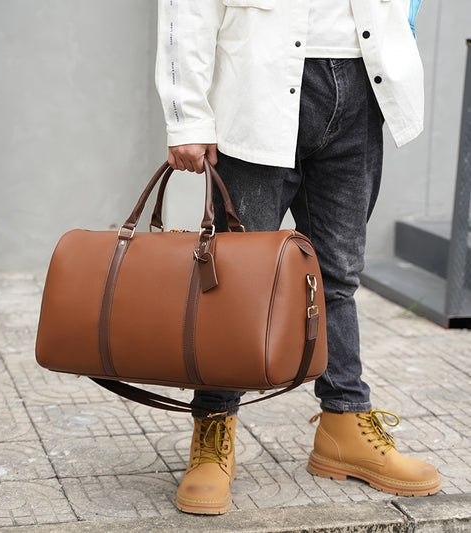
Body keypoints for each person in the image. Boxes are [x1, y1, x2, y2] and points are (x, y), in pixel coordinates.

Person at [155, 0, 441, 515]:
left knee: (338, 275)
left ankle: (343, 423)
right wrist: (186, 114)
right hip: (257, 83)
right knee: (235, 279)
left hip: (361, 78)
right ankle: (213, 428)